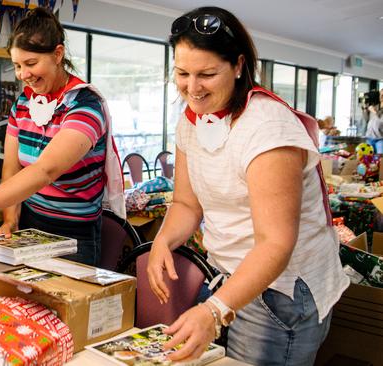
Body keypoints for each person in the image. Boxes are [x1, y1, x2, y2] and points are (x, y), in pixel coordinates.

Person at [145, 7, 349, 365]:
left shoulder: (267, 127)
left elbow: (276, 242)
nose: (192, 88)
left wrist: (213, 311)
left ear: (239, 66)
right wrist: (163, 239)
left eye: (207, 74)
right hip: (229, 277)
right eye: (182, 74)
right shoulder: (191, 121)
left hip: (281, 288)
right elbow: (187, 204)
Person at [0, 7, 125, 266]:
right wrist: (10, 220)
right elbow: (12, 168)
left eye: (31, 63)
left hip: (74, 236)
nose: (23, 74)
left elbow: (46, 169)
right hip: (29, 224)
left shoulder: (85, 106)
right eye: (17, 66)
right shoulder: (23, 103)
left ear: (58, 54)